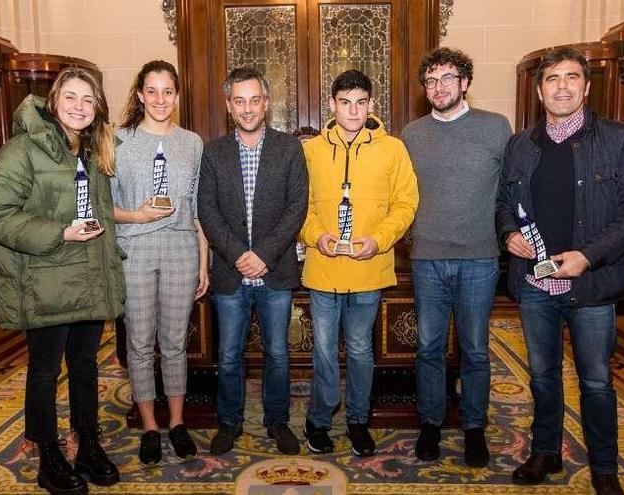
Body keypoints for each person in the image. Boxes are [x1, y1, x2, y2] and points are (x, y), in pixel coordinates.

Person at [496, 47, 624, 495]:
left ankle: (604, 469)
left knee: (597, 381)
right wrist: (508, 233)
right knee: (542, 375)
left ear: (586, 87)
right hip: (533, 285)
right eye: (552, 78)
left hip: (592, 284)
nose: (562, 86)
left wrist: (588, 255)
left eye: (571, 78)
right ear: (540, 89)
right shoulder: (520, 144)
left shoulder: (619, 139)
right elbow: (505, 204)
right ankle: (545, 451)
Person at [0, 67, 125, 495]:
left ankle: (88, 443)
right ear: (54, 101)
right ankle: (48, 454)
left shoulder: (93, 148)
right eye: (71, 98)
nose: (80, 107)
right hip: (45, 279)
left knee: (85, 365)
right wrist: (58, 232)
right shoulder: (24, 148)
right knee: (44, 372)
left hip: (89, 277)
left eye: (88, 100)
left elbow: (100, 218)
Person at [402, 47, 511, 465]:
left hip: (480, 259)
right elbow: (399, 195)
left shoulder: (496, 127)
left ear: (465, 82)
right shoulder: (412, 133)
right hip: (427, 257)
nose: (438, 87)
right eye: (430, 80)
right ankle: (430, 424)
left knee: (476, 349)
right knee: (428, 347)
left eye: (447, 78)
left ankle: (474, 428)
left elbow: (511, 190)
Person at [300, 69, 418, 457]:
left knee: (360, 349)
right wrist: (317, 236)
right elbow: (298, 206)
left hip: (370, 269)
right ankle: (319, 419)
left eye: (361, 102)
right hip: (323, 269)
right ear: (332, 105)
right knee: (322, 350)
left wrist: (379, 240)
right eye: (345, 102)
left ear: (371, 104)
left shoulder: (393, 149)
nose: (353, 111)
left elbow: (406, 203)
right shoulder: (311, 150)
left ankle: (358, 420)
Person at [198, 67, 308, 456]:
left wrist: (263, 255)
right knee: (229, 354)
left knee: (277, 353)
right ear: (229, 105)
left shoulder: (289, 148)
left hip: (274, 271)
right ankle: (229, 422)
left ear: (266, 103)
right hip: (230, 273)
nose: (248, 108)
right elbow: (207, 211)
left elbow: (297, 207)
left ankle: (277, 421)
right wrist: (239, 256)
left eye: (255, 100)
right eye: (239, 101)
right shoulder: (212, 153)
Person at [112, 60, 209, 464]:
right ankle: (150, 427)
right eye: (151, 91)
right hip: (134, 248)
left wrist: (203, 262)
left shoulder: (192, 142)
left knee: (173, 343)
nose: (160, 99)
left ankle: (177, 422)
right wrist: (138, 214)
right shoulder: (117, 140)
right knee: (138, 343)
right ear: (139, 95)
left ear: (178, 96)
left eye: (168, 91)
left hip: (181, 248)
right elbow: (102, 207)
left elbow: (199, 209)